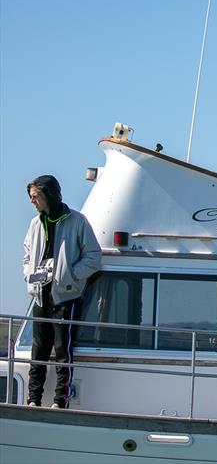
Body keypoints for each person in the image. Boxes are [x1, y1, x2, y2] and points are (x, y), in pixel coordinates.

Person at [23, 175, 101, 408]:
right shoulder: (35, 224)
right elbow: (27, 256)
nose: (32, 201)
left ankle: (60, 401)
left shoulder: (77, 221)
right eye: (31, 197)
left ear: (48, 194)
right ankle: (33, 400)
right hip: (40, 295)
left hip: (66, 297)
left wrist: (70, 275)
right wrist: (30, 275)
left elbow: (94, 256)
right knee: (38, 352)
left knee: (62, 352)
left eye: (35, 196)